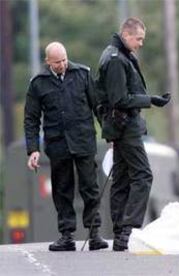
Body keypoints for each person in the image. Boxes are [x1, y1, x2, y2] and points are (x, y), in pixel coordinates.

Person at [95, 17, 170, 251]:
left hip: (122, 126)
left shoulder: (116, 54)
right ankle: (127, 229)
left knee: (123, 178)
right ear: (126, 35)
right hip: (125, 127)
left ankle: (120, 234)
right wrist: (151, 100)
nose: (140, 43)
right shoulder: (117, 59)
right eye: (139, 39)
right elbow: (120, 99)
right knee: (143, 175)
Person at [24, 42, 108, 251]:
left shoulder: (82, 74)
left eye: (64, 60)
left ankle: (94, 233)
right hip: (57, 144)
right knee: (62, 190)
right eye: (57, 62)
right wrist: (33, 149)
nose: (62, 64)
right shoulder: (38, 84)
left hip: (83, 140)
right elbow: (31, 119)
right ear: (48, 62)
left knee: (90, 187)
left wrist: (110, 134)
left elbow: (97, 106)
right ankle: (66, 235)